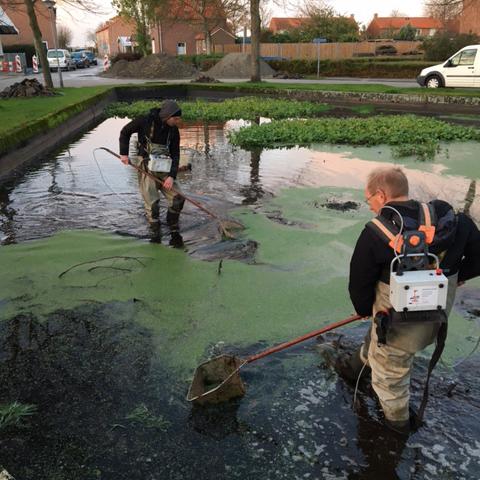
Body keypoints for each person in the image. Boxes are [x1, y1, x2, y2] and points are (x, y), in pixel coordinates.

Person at [343, 166, 480, 433]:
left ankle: (399, 429)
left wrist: (363, 310)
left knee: (390, 375)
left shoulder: (375, 233)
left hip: (394, 324)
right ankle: (352, 369)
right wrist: (458, 274)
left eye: (369, 199)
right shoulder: (454, 221)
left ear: (381, 195)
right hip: (434, 320)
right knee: (379, 343)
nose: (371, 207)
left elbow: (359, 282)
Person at [119, 100, 184, 246]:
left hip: (165, 168)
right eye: (176, 118)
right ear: (167, 116)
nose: (178, 121)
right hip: (146, 167)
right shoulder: (145, 121)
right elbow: (125, 132)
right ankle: (155, 231)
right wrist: (124, 154)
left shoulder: (174, 131)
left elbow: (176, 154)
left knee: (178, 198)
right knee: (153, 204)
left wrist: (171, 176)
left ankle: (172, 225)